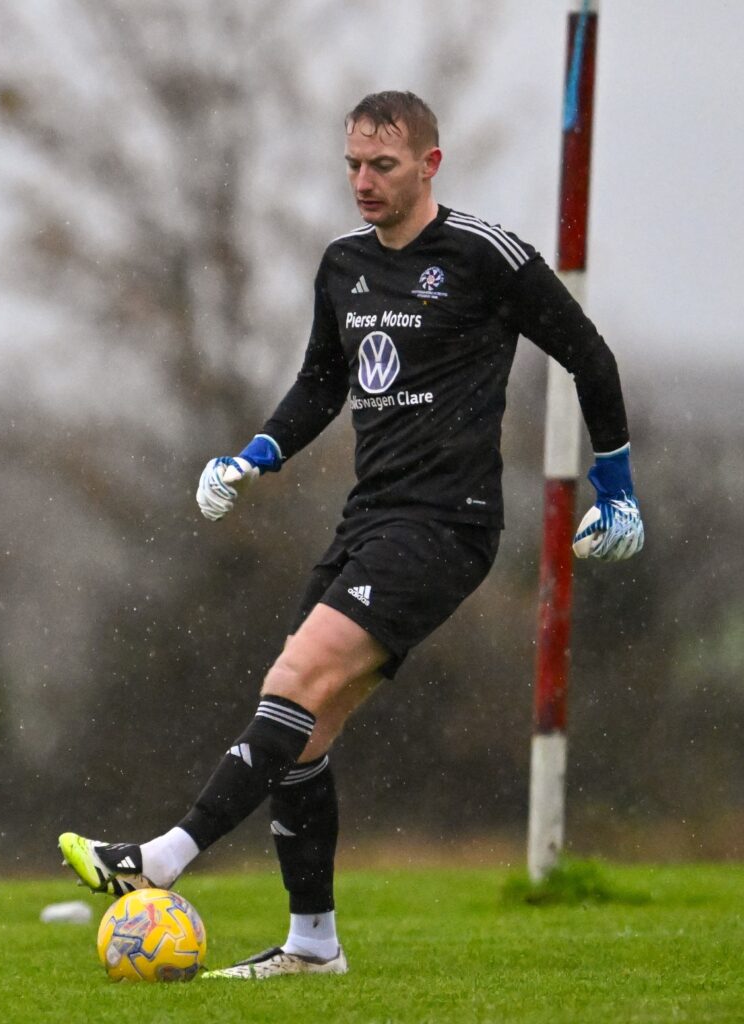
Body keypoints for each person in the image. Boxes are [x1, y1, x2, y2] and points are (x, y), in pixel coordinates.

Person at [59, 90, 643, 979]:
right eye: (353, 166)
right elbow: (322, 383)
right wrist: (255, 454)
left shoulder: (486, 257)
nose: (363, 183)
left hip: (449, 525)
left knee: (292, 678)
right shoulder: (342, 266)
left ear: (430, 164)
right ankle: (313, 947)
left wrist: (617, 485)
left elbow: (588, 354)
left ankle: (160, 857)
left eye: (383, 166)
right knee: (305, 728)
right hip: (369, 520)